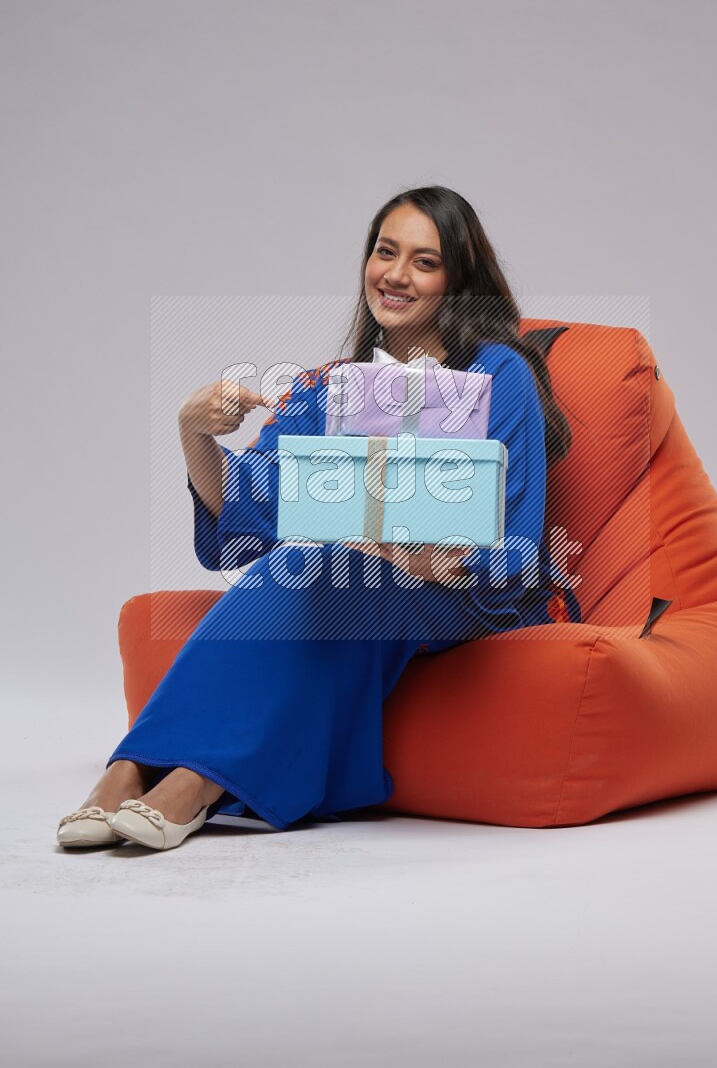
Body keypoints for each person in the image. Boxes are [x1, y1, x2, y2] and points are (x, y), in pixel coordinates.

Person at [56, 185, 581, 852]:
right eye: (385, 251)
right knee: (306, 565)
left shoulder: (499, 373)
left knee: (329, 568)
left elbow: (516, 546)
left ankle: (193, 782)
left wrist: (407, 557)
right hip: (355, 586)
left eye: (424, 261)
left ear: (456, 281)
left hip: (475, 599)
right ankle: (127, 769)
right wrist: (193, 434)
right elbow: (244, 510)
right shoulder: (331, 385)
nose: (394, 274)